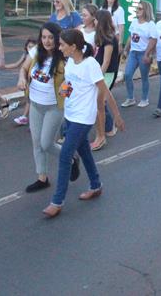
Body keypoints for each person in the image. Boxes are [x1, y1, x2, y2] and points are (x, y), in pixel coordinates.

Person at [42, 29, 125, 218]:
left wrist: (116, 116)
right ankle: (96, 185)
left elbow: (105, 92)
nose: (59, 47)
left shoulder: (90, 65)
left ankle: (57, 201)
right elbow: (68, 84)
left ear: (73, 47)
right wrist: (61, 100)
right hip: (70, 115)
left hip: (84, 118)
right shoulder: (70, 61)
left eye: (62, 44)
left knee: (65, 156)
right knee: (85, 152)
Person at [16, 22, 68, 193]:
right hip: (36, 105)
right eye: (44, 37)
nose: (47, 41)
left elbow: (72, 81)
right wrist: (22, 79)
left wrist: (65, 92)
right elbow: (23, 68)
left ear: (57, 38)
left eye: (51, 38)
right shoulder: (36, 51)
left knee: (46, 144)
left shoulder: (63, 56)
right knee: (36, 143)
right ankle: (42, 178)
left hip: (54, 107)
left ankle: (70, 158)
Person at [90, 9, 120, 150]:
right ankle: (106, 129)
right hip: (100, 73)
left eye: (96, 19)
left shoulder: (109, 39)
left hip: (106, 74)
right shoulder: (100, 37)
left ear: (100, 21)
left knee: (99, 103)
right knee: (100, 103)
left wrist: (98, 77)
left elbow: (106, 61)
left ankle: (102, 134)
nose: (94, 21)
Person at [121, 0, 157, 109]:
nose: (137, 10)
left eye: (140, 8)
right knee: (127, 75)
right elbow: (130, 37)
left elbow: (153, 40)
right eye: (137, 8)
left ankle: (144, 99)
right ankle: (130, 98)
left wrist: (147, 54)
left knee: (144, 77)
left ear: (146, 10)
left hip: (143, 53)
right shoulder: (134, 22)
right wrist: (126, 50)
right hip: (133, 53)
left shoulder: (150, 24)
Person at [7, 38, 39, 126]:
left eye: (33, 47)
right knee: (28, 98)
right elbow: (17, 65)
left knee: (30, 99)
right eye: (29, 47)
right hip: (26, 79)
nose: (31, 49)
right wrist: (5, 67)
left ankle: (25, 116)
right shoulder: (26, 55)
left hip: (33, 80)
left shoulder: (38, 56)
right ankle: (28, 117)